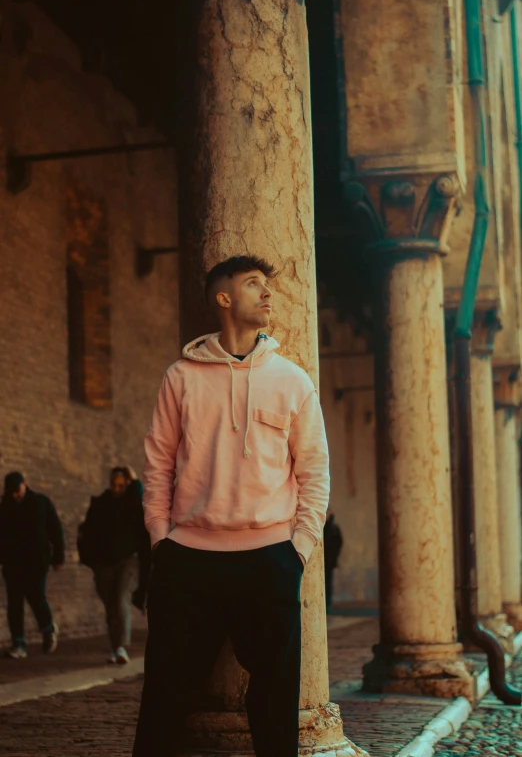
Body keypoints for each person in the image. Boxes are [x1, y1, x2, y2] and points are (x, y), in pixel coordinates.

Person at [133, 255, 330, 757]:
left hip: (270, 559)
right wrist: (162, 539)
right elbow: (156, 464)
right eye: (252, 284)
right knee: (164, 698)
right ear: (223, 299)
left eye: (266, 285)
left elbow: (314, 471)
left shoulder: (293, 381)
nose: (266, 294)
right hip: (189, 559)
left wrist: (298, 548)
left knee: (275, 703)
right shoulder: (180, 377)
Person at [77, 466, 150, 664]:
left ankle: (120, 647)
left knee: (120, 598)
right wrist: (91, 559)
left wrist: (134, 480)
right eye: (114, 485)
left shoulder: (131, 503)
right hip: (103, 563)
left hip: (128, 561)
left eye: (121, 485)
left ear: (126, 485)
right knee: (111, 605)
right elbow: (89, 530)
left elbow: (139, 498)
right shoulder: (101, 503)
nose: (117, 489)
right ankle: (115, 646)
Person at [0, 471, 64, 658]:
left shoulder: (40, 503)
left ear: (24, 485)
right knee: (14, 603)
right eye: (11, 492)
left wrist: (58, 557)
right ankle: (18, 643)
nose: (15, 495)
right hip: (12, 563)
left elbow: (55, 529)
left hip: (36, 561)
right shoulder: (5, 507)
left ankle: (47, 627)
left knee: (36, 596)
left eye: (17, 490)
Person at [323, 509, 343, 612]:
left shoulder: (332, 528)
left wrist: (333, 558)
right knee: (325, 583)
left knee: (327, 583)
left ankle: (327, 603)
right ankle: (325, 603)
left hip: (328, 561)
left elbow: (337, 544)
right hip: (325, 560)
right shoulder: (324, 527)